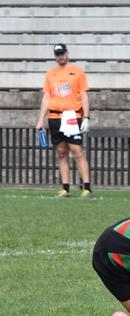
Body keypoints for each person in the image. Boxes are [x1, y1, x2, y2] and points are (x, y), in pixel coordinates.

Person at [35, 43, 92, 199]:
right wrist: (40, 120)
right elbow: (47, 97)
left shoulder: (77, 72)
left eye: (62, 53)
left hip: (72, 116)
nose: (60, 56)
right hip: (55, 117)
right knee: (61, 153)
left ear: (67, 53)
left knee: (77, 151)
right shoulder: (50, 74)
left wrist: (86, 117)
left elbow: (83, 96)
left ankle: (86, 187)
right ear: (55, 56)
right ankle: (65, 188)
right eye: (57, 54)